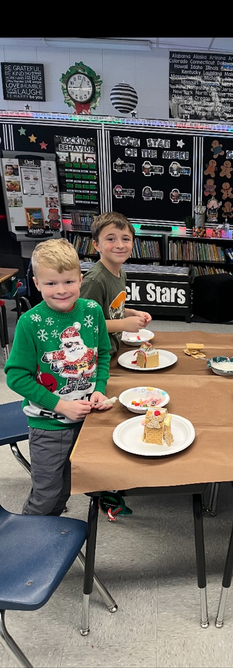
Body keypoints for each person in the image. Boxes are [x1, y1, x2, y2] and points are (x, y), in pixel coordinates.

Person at [4, 238, 113, 516]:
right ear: (37, 283)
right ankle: (28, 542)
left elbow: (100, 355)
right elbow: (16, 377)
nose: (61, 290)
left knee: (70, 483)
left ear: (80, 278)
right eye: (51, 284)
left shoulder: (92, 311)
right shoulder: (31, 322)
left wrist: (98, 389)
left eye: (68, 282)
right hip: (49, 426)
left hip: (87, 420)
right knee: (46, 494)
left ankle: (52, 525)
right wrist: (61, 405)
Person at [79, 211, 152, 358]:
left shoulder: (121, 273)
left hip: (111, 350)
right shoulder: (95, 281)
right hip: (96, 358)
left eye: (125, 239)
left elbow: (110, 312)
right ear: (96, 245)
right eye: (111, 239)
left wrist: (132, 313)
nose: (119, 245)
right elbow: (84, 325)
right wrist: (123, 325)